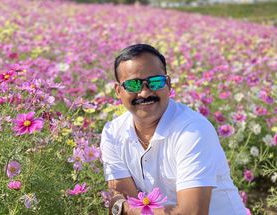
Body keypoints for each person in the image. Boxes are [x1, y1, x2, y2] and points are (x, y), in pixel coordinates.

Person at [100, 44, 246, 215]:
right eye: (133, 85)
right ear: (118, 91)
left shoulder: (192, 131)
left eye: (155, 82)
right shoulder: (112, 133)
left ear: (168, 84)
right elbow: (120, 193)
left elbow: (192, 213)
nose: (145, 93)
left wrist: (125, 208)